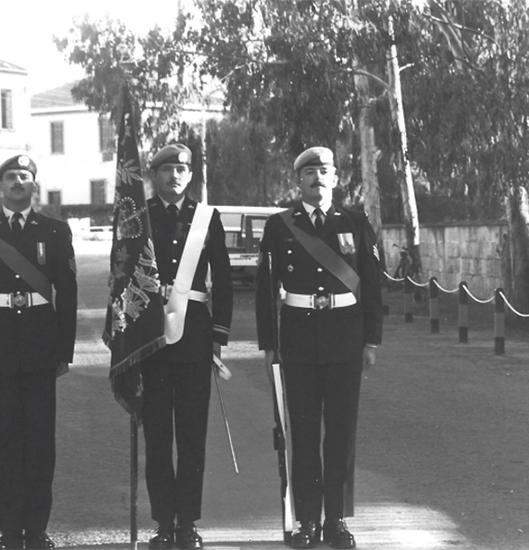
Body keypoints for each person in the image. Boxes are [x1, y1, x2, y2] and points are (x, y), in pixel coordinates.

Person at [255, 147, 383, 550]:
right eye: (309, 172)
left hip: (345, 339)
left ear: (336, 177)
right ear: (299, 180)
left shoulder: (357, 222)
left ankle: (337, 521)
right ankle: (307, 519)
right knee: (305, 433)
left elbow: (373, 285)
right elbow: (263, 290)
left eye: (324, 171)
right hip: (298, 340)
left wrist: (371, 339)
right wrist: (268, 346)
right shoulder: (280, 226)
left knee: (341, 433)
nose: (317, 178)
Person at [0, 154, 77, 550]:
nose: (17, 183)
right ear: (0, 186)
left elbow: (69, 292)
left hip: (42, 343)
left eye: (24, 177)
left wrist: (66, 349)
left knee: (41, 440)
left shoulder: (56, 231)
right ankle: (10, 529)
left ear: (33, 185)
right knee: (6, 440)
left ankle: (37, 528)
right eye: (11, 177)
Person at [142, 143, 233, 550]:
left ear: (190, 175)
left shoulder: (206, 218)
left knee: (192, 435)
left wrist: (218, 337)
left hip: (194, 336)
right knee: (159, 436)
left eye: (182, 169)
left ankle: (187, 525)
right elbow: (120, 276)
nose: (175, 175)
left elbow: (225, 281)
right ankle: (163, 523)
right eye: (167, 169)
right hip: (151, 340)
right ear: (154, 174)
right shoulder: (137, 216)